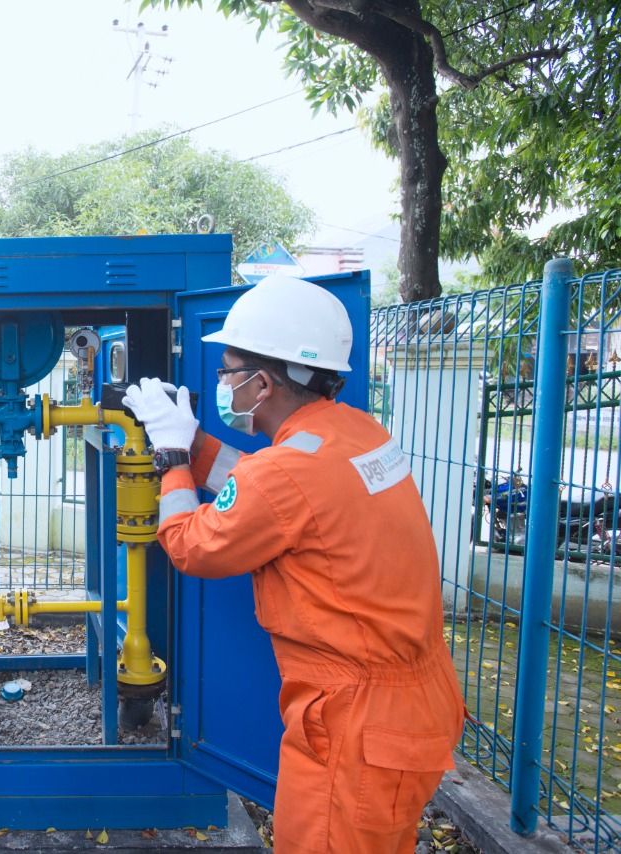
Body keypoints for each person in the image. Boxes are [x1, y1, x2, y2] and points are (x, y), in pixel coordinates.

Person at [122, 275, 465, 853]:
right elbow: (272, 497)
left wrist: (172, 454)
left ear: (262, 382)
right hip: (414, 704)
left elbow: (192, 545)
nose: (223, 381)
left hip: (358, 729)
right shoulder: (356, 432)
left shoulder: (286, 471)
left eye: (229, 371)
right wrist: (195, 439)